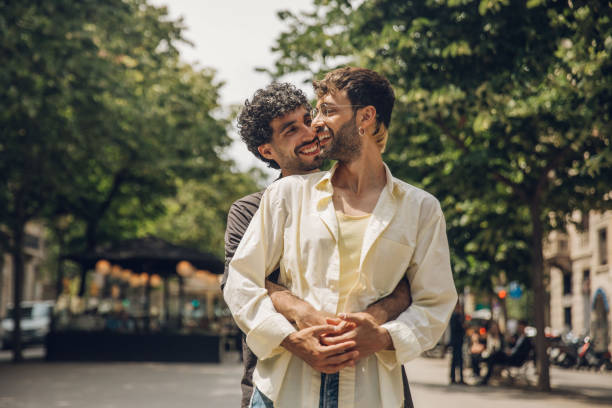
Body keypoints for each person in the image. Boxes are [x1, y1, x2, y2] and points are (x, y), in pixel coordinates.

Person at [224, 67, 457, 407]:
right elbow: (240, 281)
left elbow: (434, 302)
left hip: (372, 391)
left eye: (325, 111)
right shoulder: (285, 196)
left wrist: (381, 336)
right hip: (286, 388)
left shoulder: (421, 209)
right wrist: (291, 334)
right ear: (267, 150)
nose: (315, 124)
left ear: (366, 117)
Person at [479, 319, 532, 385]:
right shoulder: (516, 337)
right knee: (495, 356)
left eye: (520, 326)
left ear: (524, 327)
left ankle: (485, 376)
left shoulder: (527, 340)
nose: (518, 328)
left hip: (516, 358)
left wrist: (511, 353)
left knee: (496, 355)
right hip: (509, 356)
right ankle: (485, 376)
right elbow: (510, 346)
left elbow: (524, 352)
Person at [449, 302, 465, 384]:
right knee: (456, 360)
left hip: (457, 341)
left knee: (457, 360)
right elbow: (457, 329)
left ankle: (456, 377)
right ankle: (455, 378)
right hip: (456, 342)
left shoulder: (456, 316)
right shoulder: (455, 317)